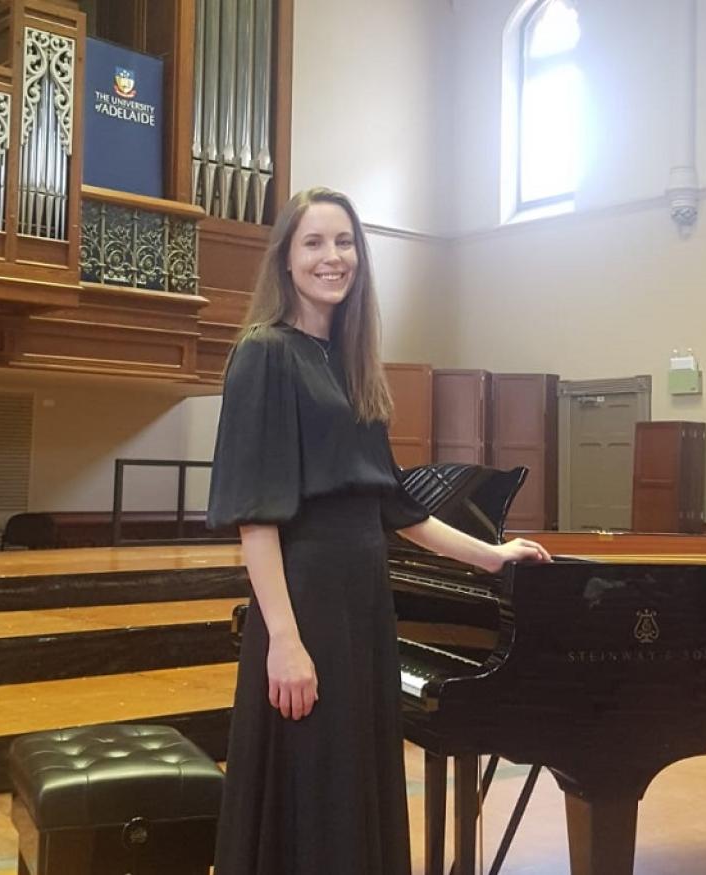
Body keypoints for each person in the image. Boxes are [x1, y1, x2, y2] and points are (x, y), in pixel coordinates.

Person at [206, 186, 551, 874]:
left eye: (343, 242)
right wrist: (284, 641)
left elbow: (397, 509)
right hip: (306, 603)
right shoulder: (264, 354)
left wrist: (492, 555)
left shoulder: (352, 364)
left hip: (364, 606)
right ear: (286, 259)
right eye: (313, 242)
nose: (331, 257)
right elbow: (256, 517)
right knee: (309, 782)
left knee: (352, 780)